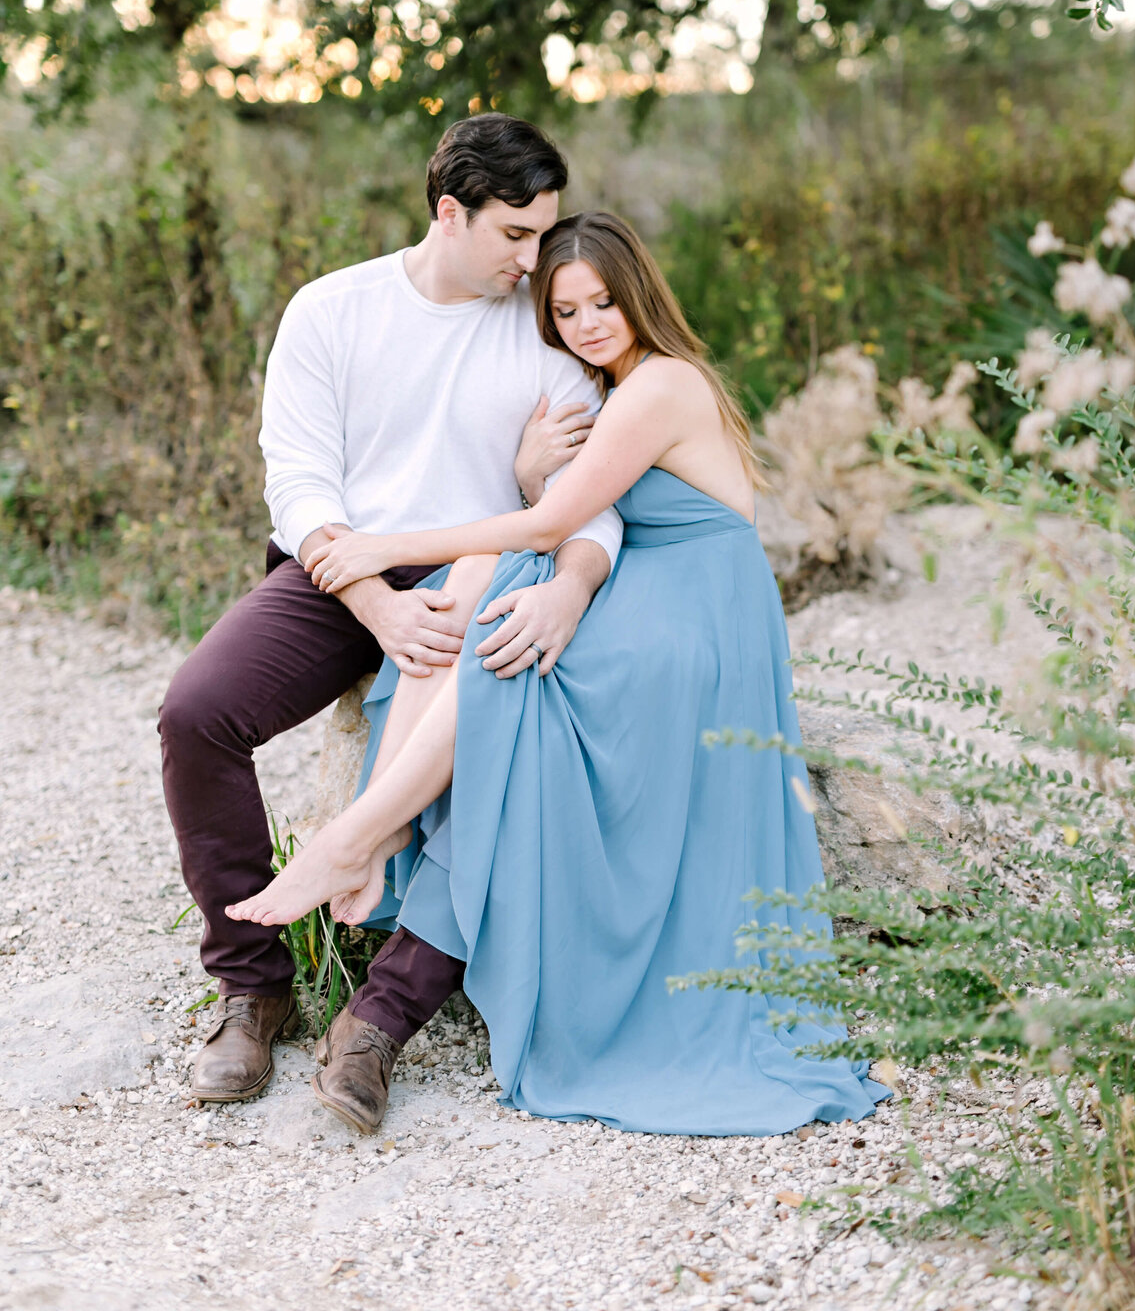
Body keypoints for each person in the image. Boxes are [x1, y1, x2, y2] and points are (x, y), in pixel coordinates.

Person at [227, 211, 888, 1136]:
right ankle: (373, 846)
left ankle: (363, 834)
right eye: (566, 309)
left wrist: (383, 545)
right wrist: (528, 479)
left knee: (510, 643)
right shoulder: (607, 389)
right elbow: (561, 511)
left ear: (640, 296)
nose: (586, 324)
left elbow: (550, 525)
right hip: (657, 585)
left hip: (700, 612)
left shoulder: (660, 384)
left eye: (604, 303)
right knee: (488, 600)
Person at [158, 116, 622, 1127]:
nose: (533, 259)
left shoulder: (545, 331)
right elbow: (300, 482)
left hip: (478, 575)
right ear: (449, 213)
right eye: (513, 235)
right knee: (196, 712)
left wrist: (560, 576)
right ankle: (252, 984)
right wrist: (376, 603)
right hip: (341, 576)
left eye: (543, 234)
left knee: (506, 754)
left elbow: (593, 502)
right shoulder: (333, 311)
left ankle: (380, 1019)